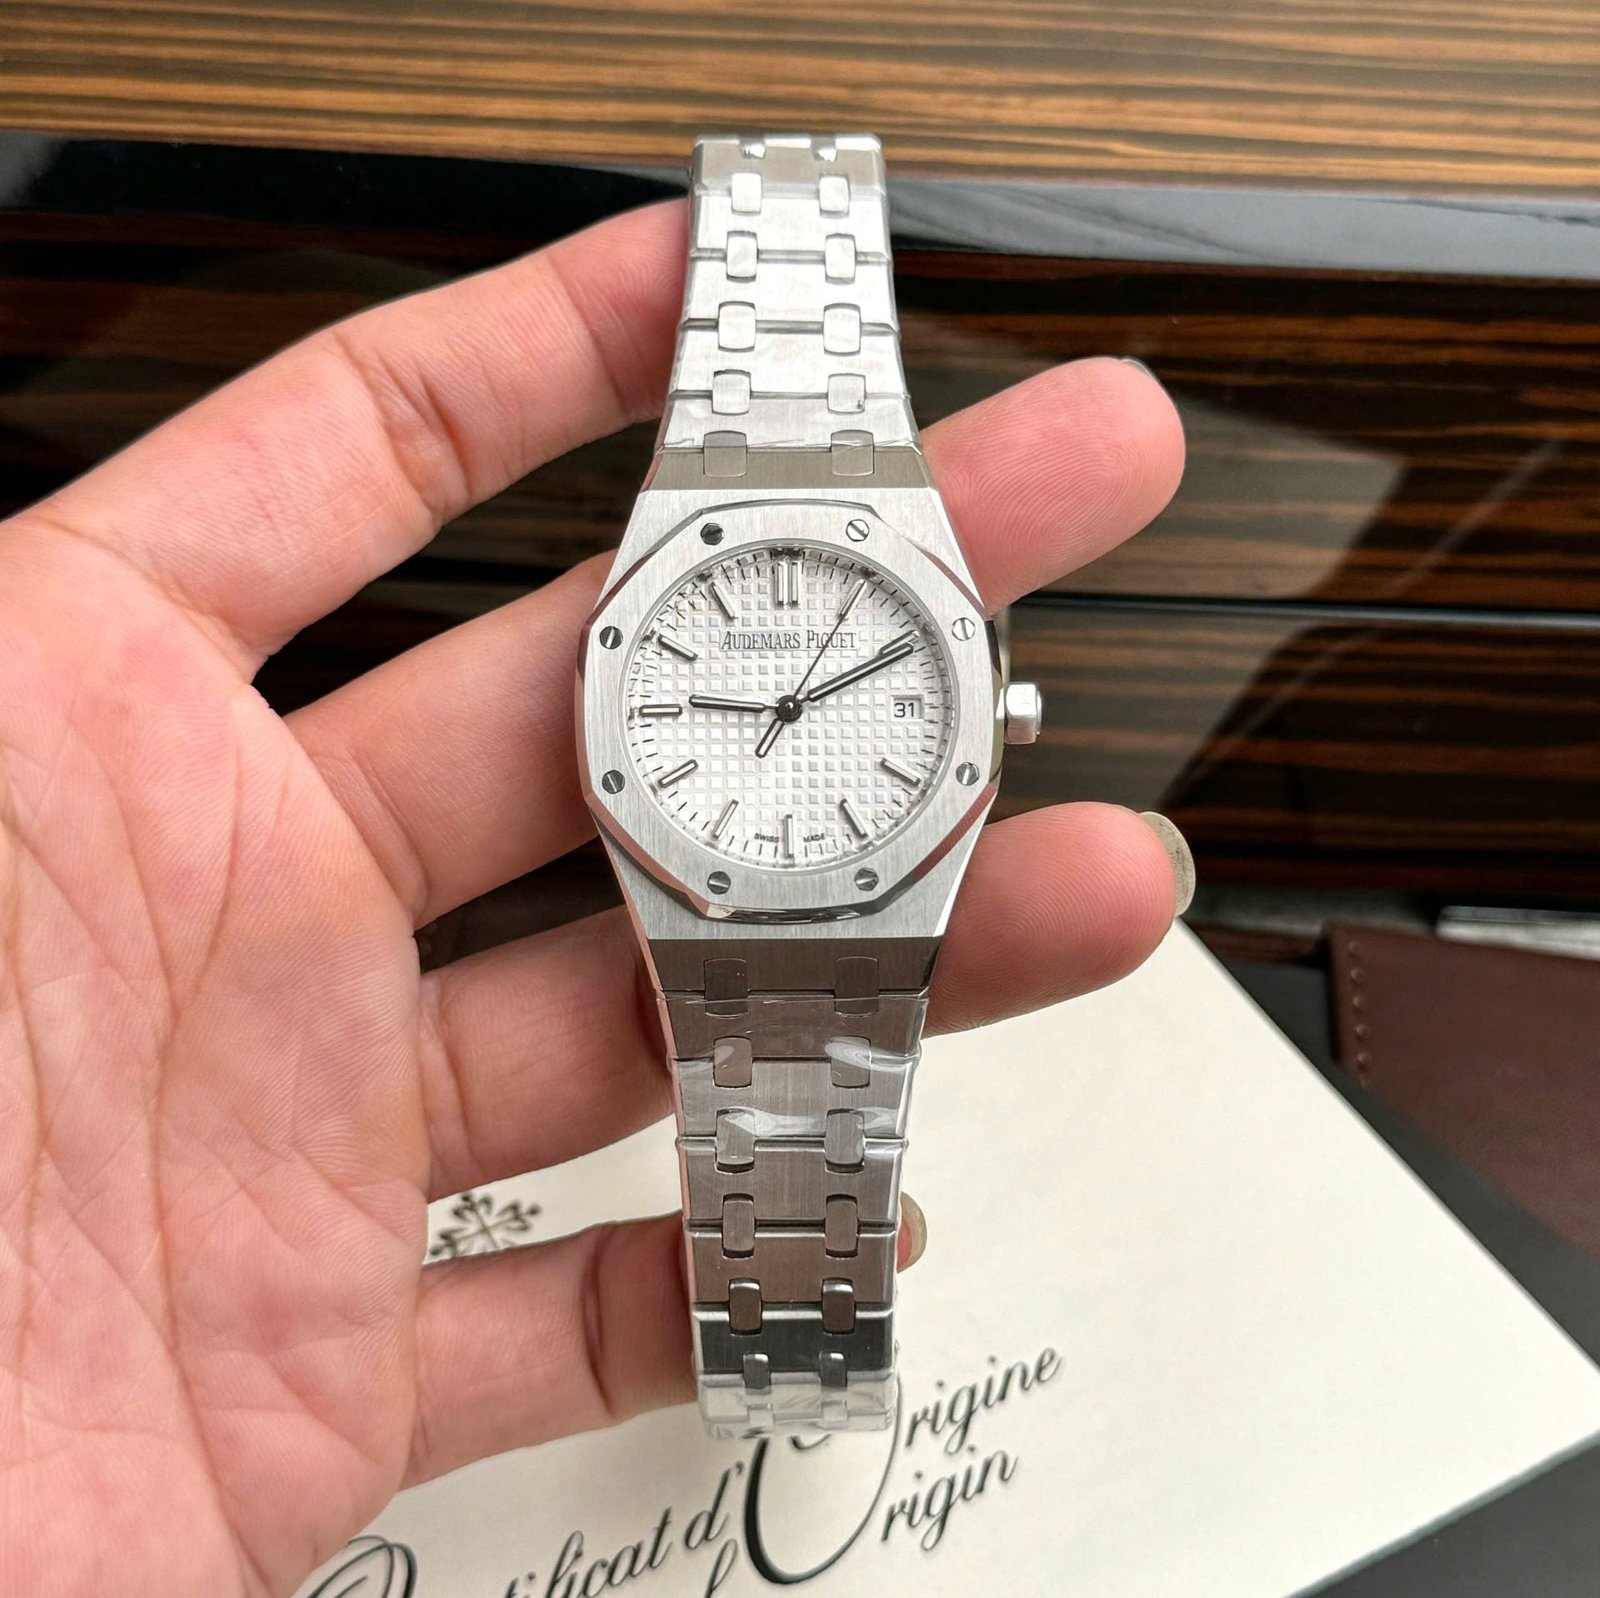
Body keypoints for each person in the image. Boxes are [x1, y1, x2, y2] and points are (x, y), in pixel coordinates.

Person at [0, 199, 1188, 1596]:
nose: (794, 709)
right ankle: (793, 1355)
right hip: (714, 872)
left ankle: (796, 1353)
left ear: (990, 719)